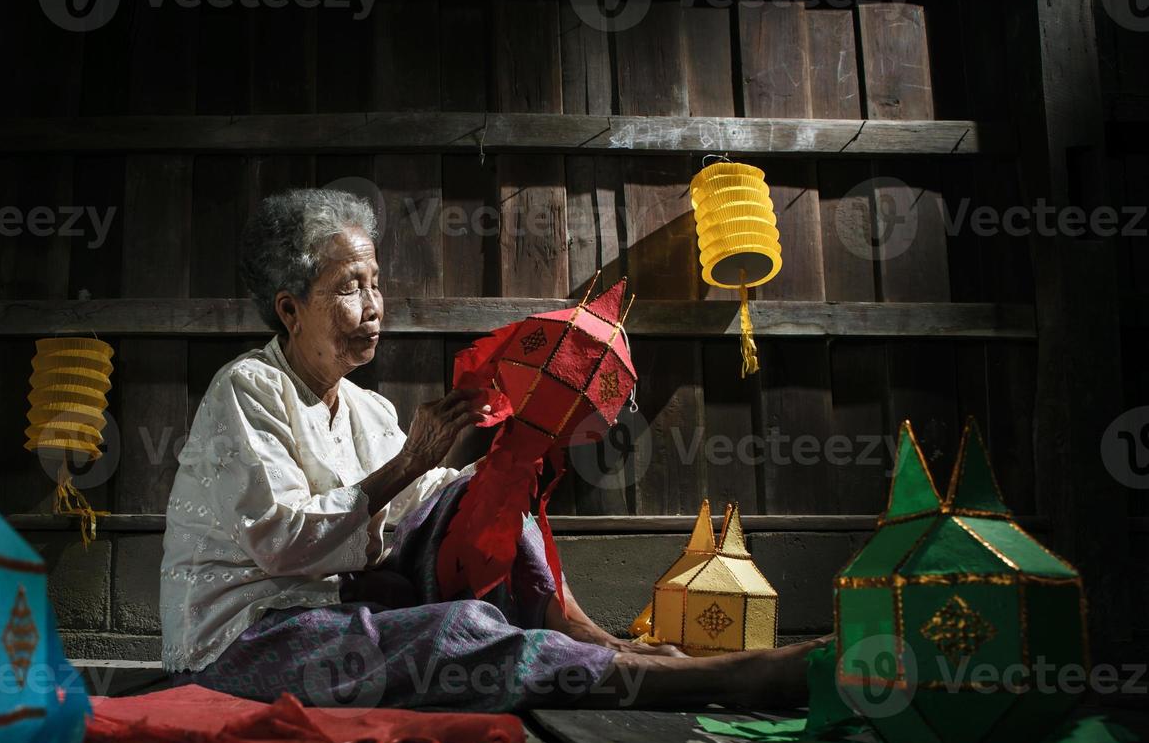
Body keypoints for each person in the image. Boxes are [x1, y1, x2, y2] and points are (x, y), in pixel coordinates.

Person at [160, 188, 821, 712]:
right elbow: (283, 546)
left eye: (376, 283)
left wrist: (514, 455)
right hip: (244, 642)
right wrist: (412, 463)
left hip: (339, 608)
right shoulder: (247, 388)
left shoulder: (369, 408)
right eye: (348, 287)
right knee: (452, 637)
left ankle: (595, 641)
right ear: (289, 309)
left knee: (489, 493)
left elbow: (421, 512)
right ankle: (711, 681)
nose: (373, 305)